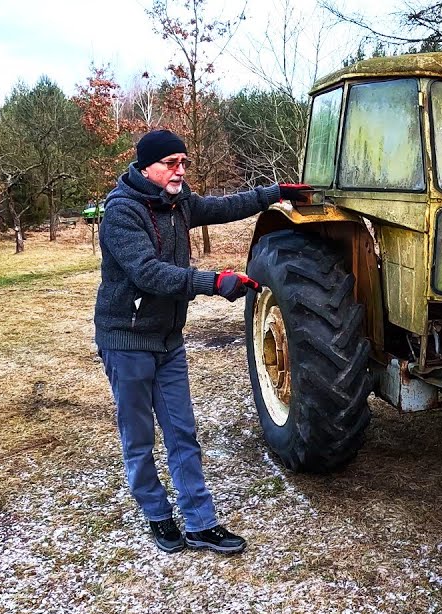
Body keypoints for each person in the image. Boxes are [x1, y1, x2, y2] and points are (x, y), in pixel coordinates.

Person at [93, 128, 309, 555]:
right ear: (145, 167)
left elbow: (225, 207)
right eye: (170, 163)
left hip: (168, 341)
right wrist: (214, 282)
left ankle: (200, 522)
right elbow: (148, 273)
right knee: (138, 437)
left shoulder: (179, 203)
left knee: (182, 433)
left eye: (184, 163)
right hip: (127, 341)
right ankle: (157, 515)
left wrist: (274, 193)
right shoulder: (121, 212)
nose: (180, 171)